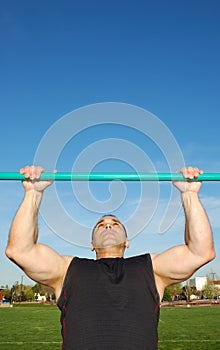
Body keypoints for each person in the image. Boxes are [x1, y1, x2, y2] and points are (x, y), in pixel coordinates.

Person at [5, 165, 215, 350]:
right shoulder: (67, 269)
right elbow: (20, 250)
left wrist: (189, 195)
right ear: (91, 245)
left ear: (127, 241)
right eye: (100, 224)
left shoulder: (151, 269)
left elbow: (201, 251)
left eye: (115, 223)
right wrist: (33, 193)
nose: (107, 224)